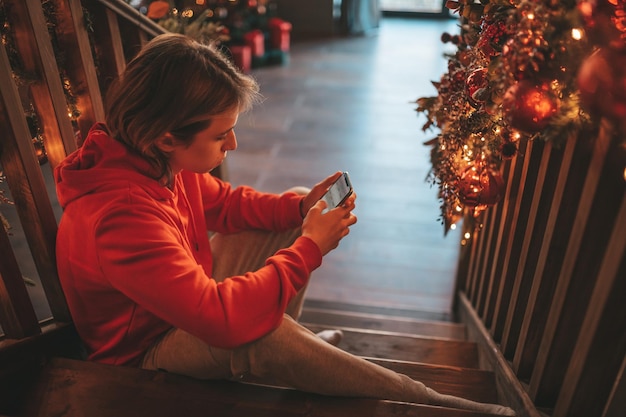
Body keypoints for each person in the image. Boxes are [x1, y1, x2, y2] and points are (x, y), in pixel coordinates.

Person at [54, 33, 514, 416]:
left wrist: (299, 213)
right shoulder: (122, 218)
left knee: (293, 207)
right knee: (262, 334)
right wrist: (310, 247)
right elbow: (219, 319)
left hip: (183, 305)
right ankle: (428, 400)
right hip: (143, 353)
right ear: (167, 136)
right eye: (220, 134)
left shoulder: (152, 160)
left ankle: (291, 346)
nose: (232, 143)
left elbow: (229, 205)